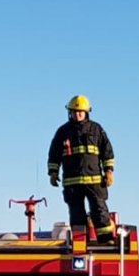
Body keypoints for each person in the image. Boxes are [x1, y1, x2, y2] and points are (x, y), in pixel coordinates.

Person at [47, 95, 117, 245]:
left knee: (99, 211)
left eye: (80, 111)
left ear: (87, 112)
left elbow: (107, 152)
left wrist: (109, 171)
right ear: (70, 112)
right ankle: (80, 242)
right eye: (74, 111)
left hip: (95, 181)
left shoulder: (97, 129)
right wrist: (53, 172)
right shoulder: (62, 132)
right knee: (76, 214)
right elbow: (54, 153)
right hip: (72, 182)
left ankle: (106, 240)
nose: (77, 114)